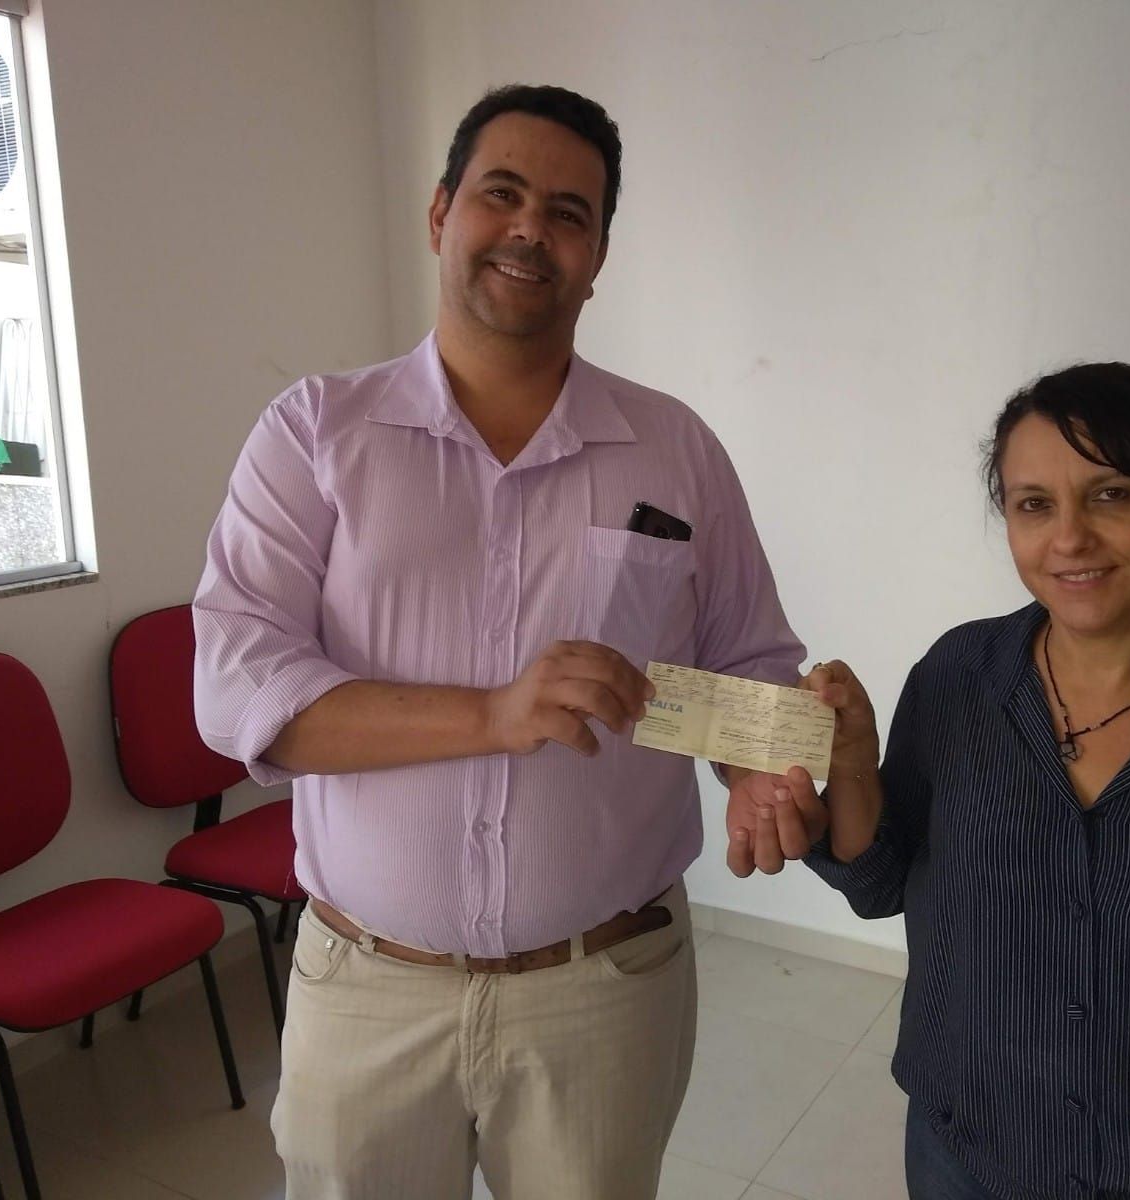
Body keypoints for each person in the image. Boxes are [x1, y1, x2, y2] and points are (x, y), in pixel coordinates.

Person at [192, 84, 804, 1200]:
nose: (530, 229)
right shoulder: (316, 434)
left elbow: (746, 666)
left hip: (604, 988)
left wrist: (770, 763)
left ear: (597, 257)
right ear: (441, 214)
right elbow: (239, 688)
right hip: (366, 987)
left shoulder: (675, 451)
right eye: (501, 194)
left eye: (569, 214)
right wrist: (491, 714)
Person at [737, 363, 1130, 1199]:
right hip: (966, 1155)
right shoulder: (958, 678)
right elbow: (879, 882)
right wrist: (855, 771)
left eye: (1112, 495)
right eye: (1034, 504)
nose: (1070, 538)